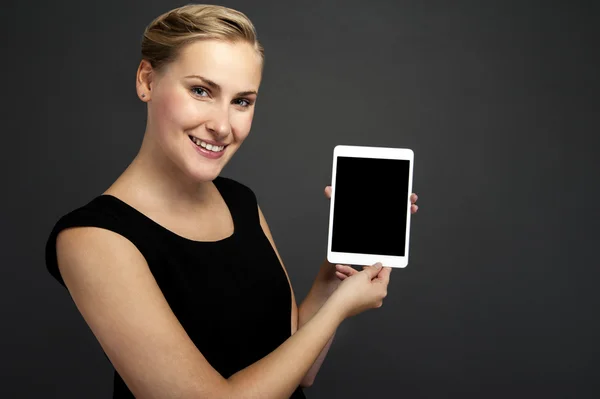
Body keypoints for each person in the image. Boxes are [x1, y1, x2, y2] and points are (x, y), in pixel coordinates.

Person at [44, 4, 419, 399]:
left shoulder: (239, 200)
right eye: (201, 91)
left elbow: (297, 367)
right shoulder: (92, 238)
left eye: (242, 101)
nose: (223, 126)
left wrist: (338, 266)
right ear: (147, 80)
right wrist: (339, 310)